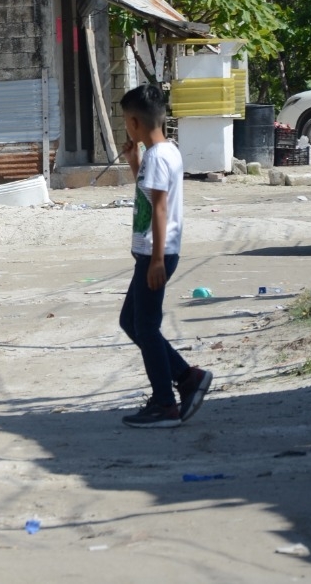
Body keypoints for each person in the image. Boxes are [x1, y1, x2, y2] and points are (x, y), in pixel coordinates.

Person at [117, 84, 211, 429]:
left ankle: (164, 402)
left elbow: (159, 208)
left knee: (146, 326)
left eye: (126, 121)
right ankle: (187, 377)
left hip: (156, 255)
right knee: (133, 322)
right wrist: (133, 161)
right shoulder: (165, 152)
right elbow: (148, 195)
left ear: (134, 122)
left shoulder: (158, 157)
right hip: (154, 253)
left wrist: (156, 260)